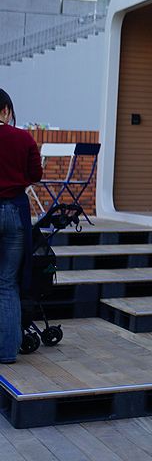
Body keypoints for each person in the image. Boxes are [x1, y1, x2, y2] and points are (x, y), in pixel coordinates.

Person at [0, 89, 41, 362]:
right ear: (5, 109)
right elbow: (36, 174)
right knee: (6, 284)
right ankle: (6, 352)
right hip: (15, 210)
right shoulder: (23, 138)